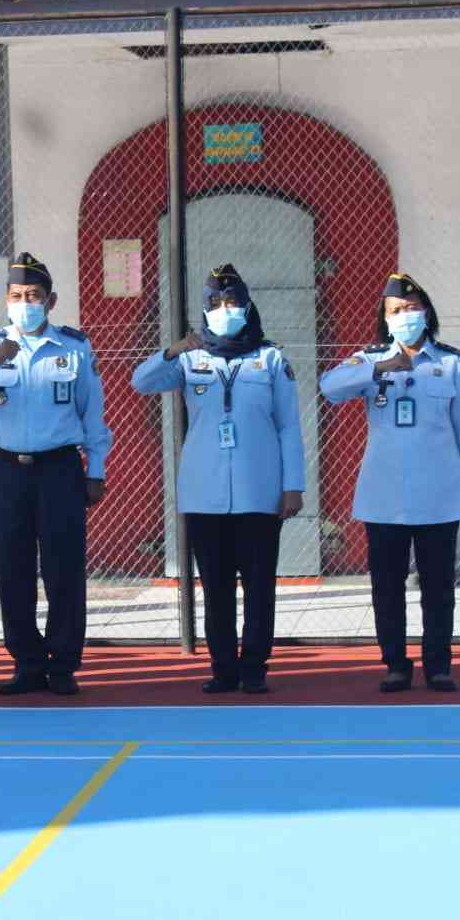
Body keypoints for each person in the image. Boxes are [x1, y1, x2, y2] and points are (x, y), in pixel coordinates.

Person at [131, 264, 304, 694]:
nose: (225, 311)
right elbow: (141, 382)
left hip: (259, 491)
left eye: (232, 303)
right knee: (216, 587)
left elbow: (289, 426)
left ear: (247, 307)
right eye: (216, 304)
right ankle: (223, 668)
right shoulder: (191, 359)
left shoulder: (270, 358)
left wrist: (293, 485)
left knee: (260, 586)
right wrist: (172, 351)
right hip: (205, 493)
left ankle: (254, 668)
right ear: (204, 312)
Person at [319, 272, 460, 693]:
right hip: (384, 496)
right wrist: (380, 366)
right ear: (385, 317)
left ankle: (438, 665)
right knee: (386, 587)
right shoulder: (368, 359)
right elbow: (329, 387)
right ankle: (395, 662)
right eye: (396, 311)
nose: (405, 316)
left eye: (412, 309)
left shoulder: (449, 362)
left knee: (438, 587)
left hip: (440, 494)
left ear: (427, 313)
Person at [0, 252, 111, 697]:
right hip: (8, 470)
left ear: (51, 300)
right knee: (12, 568)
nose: (26, 303)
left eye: (34, 296)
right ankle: (26, 662)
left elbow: (92, 416)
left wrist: (94, 470)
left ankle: (63, 665)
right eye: (18, 296)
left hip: (60, 468)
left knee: (63, 569)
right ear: (6, 299)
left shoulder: (73, 347)